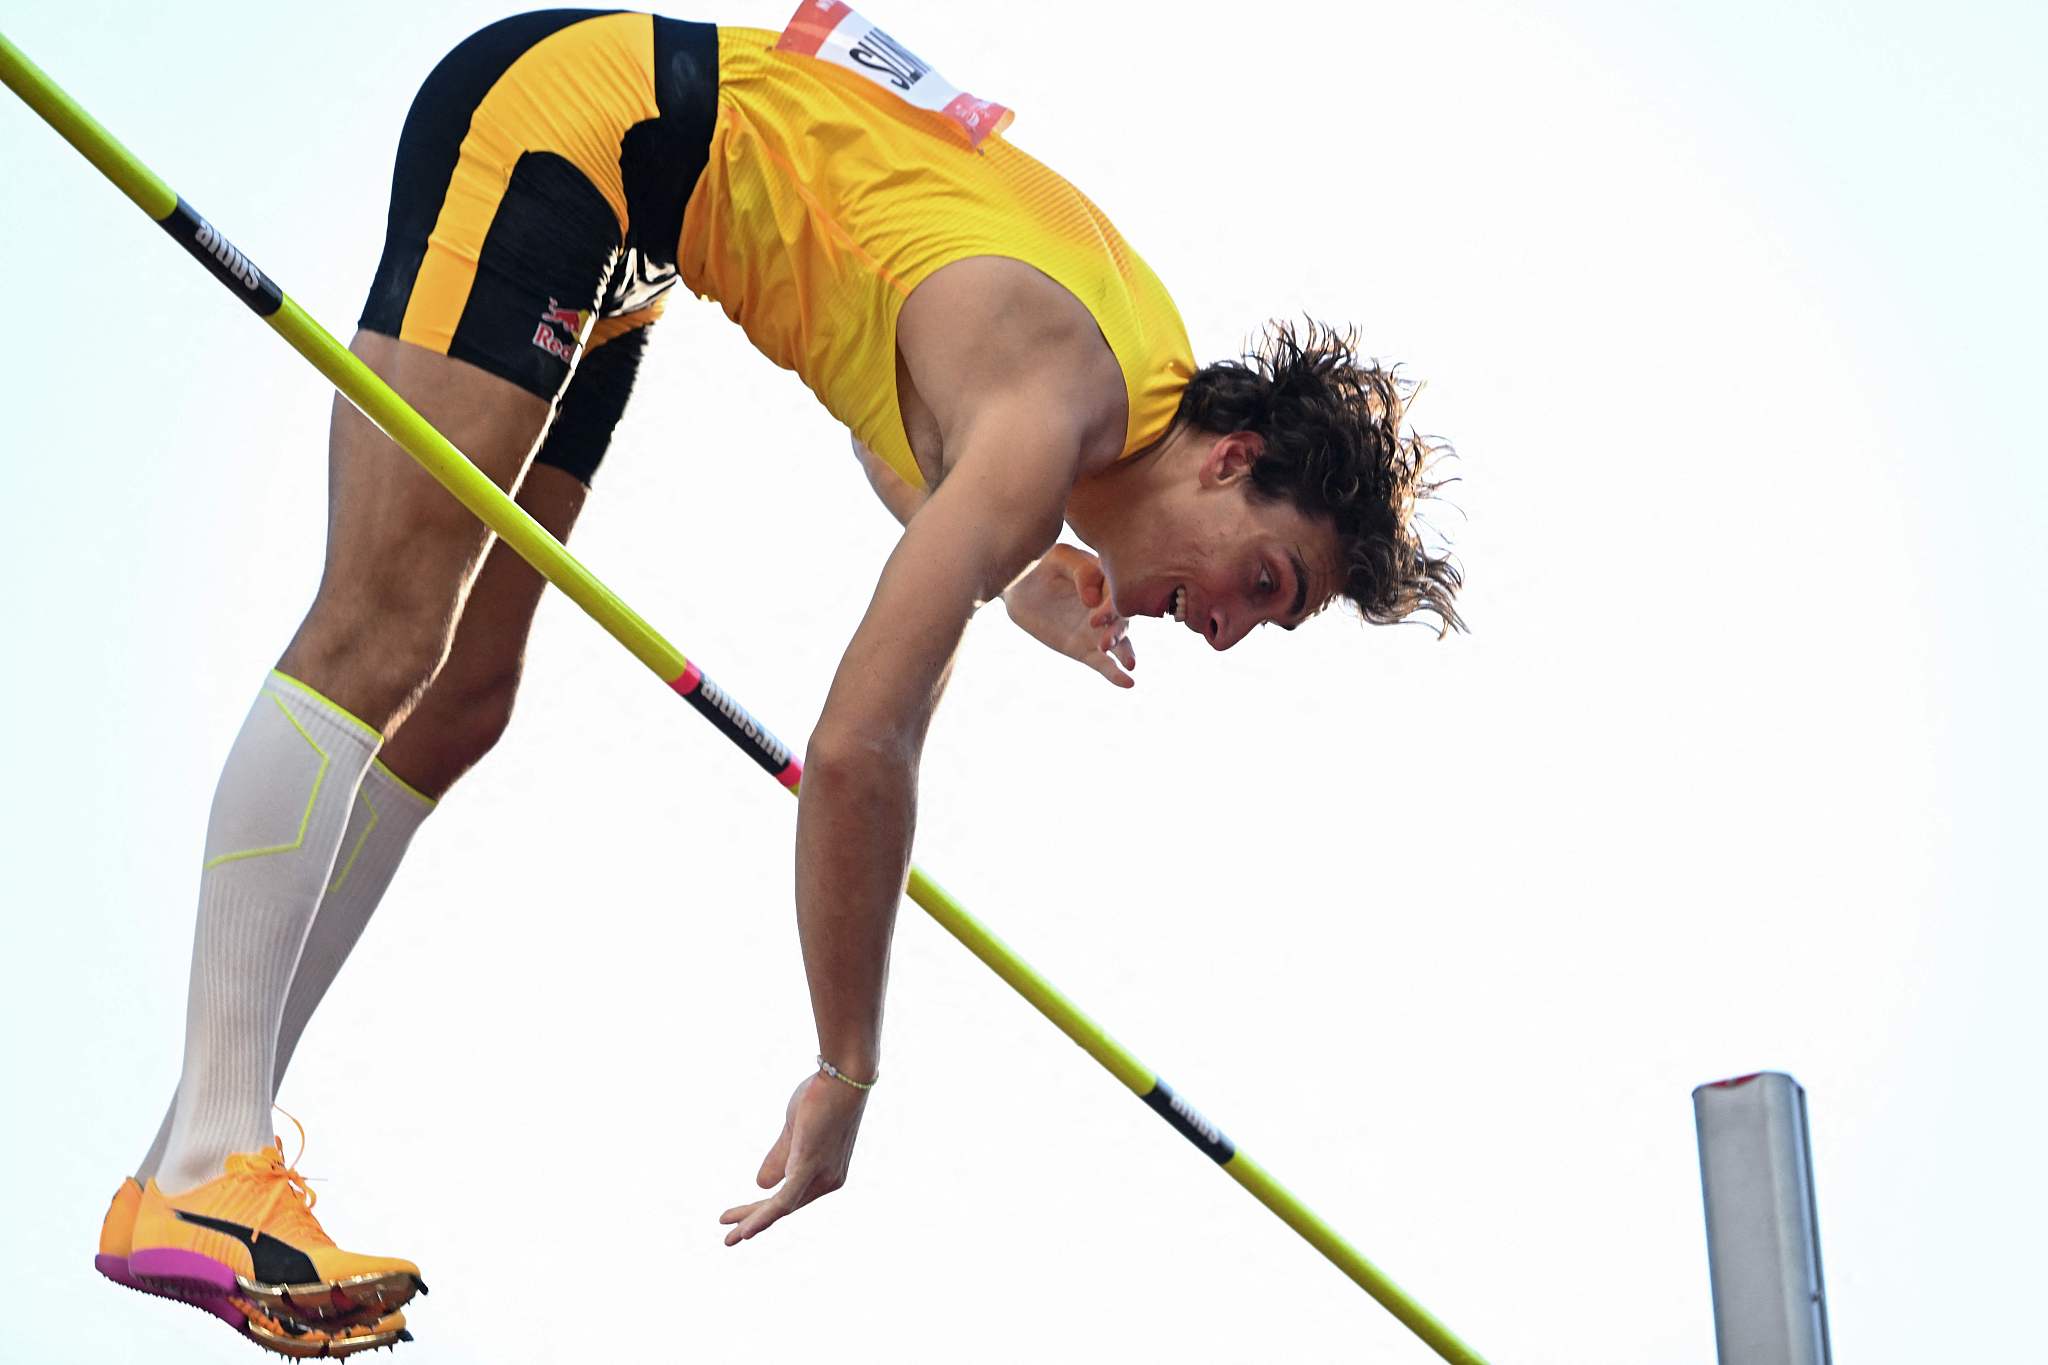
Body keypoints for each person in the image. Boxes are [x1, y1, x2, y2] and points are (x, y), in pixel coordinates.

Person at [94, 7, 1462, 1355]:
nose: (1227, 629)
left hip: (634, 222)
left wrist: (1014, 569)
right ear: (1233, 460)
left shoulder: (1119, 367)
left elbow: (891, 379)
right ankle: (215, 1155)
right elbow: (861, 749)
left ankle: (192, 1155)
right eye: (1266, 583)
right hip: (581, 127)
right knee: (385, 623)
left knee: (460, 700)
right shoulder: (1061, 401)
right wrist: (845, 1065)